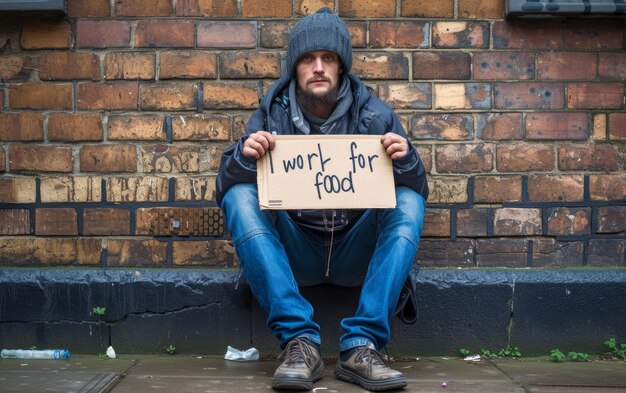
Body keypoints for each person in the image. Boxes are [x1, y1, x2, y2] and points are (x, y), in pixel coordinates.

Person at [215, 7, 429, 392]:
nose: (318, 67)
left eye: (328, 58)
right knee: (239, 195)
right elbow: (224, 183)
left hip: (354, 249)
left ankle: (361, 346)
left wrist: (408, 160)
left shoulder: (376, 116)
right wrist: (246, 155)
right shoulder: (270, 114)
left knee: (409, 200)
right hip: (295, 251)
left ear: (341, 66)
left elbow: (419, 185)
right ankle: (300, 343)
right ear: (294, 68)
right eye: (308, 59)